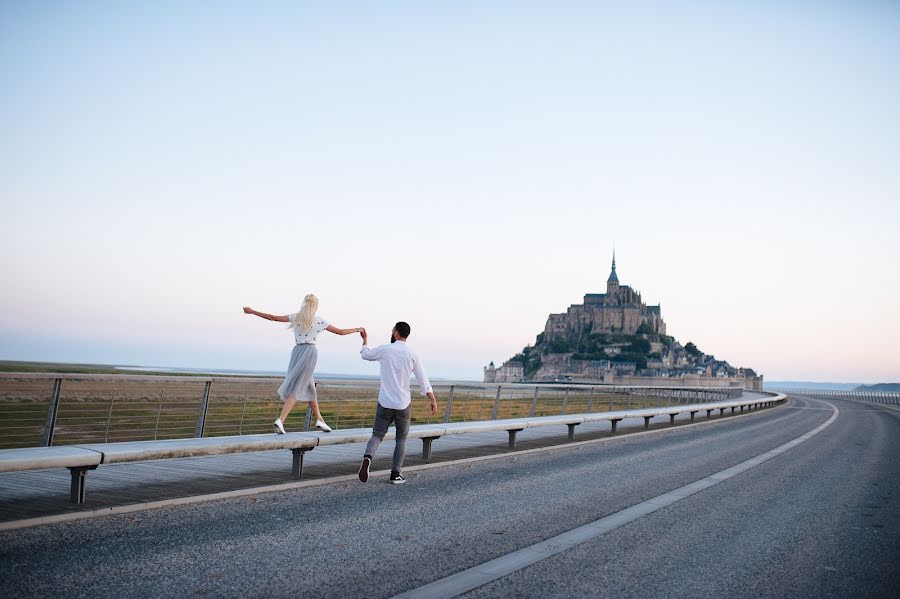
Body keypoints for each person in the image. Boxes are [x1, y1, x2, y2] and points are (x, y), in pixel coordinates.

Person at [243, 294, 362, 434]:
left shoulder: (296, 317)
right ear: (315, 306)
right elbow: (340, 332)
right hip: (309, 352)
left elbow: (272, 317)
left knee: (309, 387)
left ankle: (320, 420)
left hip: (297, 352)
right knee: (298, 386)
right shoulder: (319, 321)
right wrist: (357, 329)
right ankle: (281, 420)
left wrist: (252, 311)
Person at [357, 322, 437, 484]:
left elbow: (366, 355)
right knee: (401, 439)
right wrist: (432, 398)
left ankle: (367, 457)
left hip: (385, 401)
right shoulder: (413, 353)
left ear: (396, 333)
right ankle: (395, 474)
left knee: (377, 435)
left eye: (392, 330)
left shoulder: (386, 349)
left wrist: (365, 340)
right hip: (403, 403)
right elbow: (423, 379)